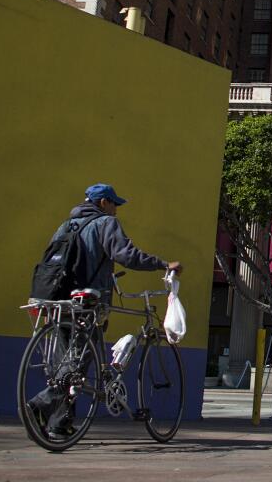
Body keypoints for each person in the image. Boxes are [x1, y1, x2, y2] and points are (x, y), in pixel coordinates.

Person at [28, 183, 183, 438]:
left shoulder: (66, 225)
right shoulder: (105, 223)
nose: (116, 211)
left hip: (58, 301)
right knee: (77, 366)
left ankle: (59, 424)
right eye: (114, 204)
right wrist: (162, 264)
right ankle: (40, 405)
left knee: (67, 363)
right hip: (88, 302)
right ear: (103, 203)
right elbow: (126, 254)